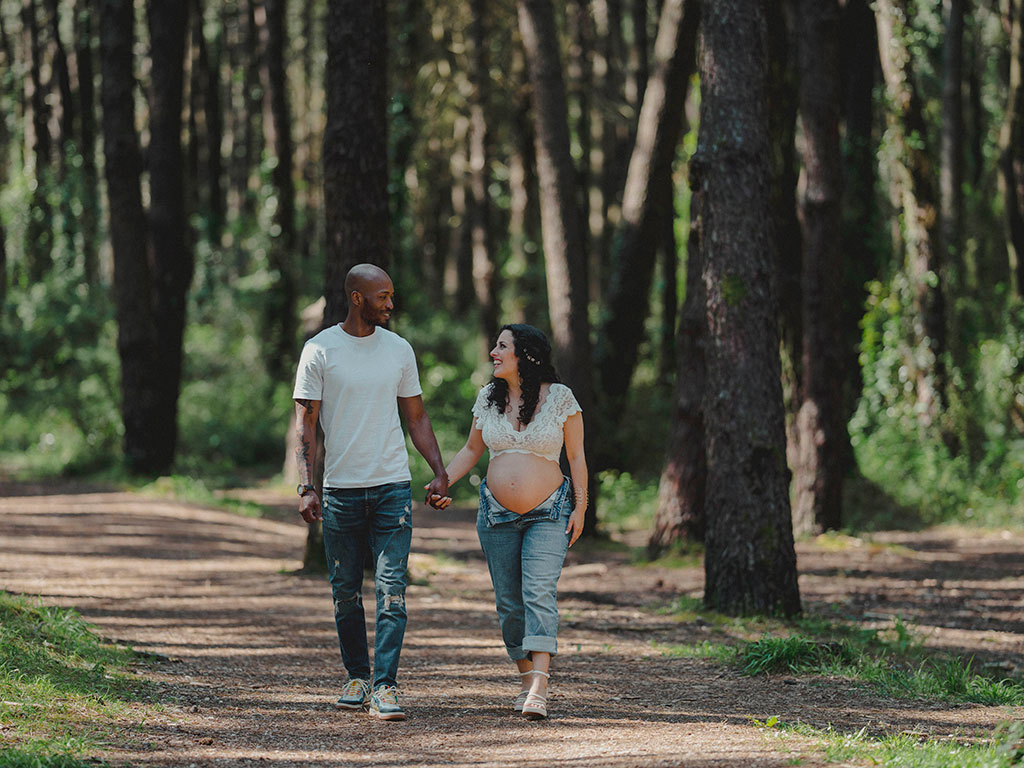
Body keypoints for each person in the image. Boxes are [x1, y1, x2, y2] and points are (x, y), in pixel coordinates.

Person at [293, 263, 449, 721]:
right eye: (383, 296)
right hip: (341, 491)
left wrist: (438, 470)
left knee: (391, 589)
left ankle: (385, 686)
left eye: (391, 294)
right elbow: (305, 423)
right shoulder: (319, 350)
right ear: (357, 298)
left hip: (392, 491)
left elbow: (416, 418)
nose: (391, 303)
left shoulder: (399, 349)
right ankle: (357, 677)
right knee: (344, 590)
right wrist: (307, 486)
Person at [434, 323, 587, 720]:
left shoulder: (561, 399)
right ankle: (525, 677)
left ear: (527, 355)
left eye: (502, 346)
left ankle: (539, 686)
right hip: (496, 515)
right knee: (509, 603)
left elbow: (577, 458)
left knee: (538, 591)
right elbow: (471, 449)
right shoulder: (488, 397)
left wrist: (581, 508)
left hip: (549, 513)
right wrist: (442, 481)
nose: (493, 353)